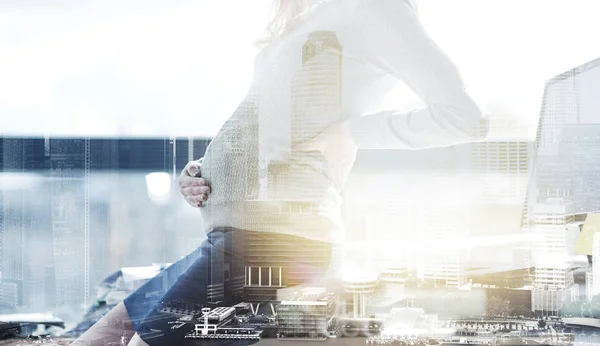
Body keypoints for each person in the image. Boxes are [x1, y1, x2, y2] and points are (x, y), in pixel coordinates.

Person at [74, 0, 488, 345]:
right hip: (233, 238)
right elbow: (271, 122)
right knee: (104, 333)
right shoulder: (313, 16)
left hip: (272, 244)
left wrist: (351, 132)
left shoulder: (376, 9)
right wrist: (203, 170)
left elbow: (465, 118)